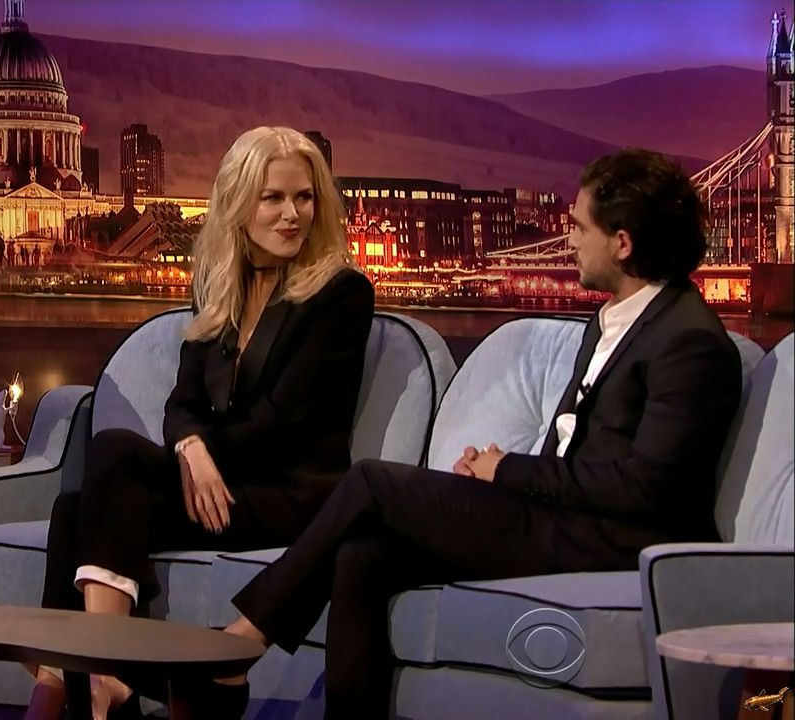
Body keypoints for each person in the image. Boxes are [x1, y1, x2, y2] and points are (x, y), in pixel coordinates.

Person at [212, 148, 743, 718]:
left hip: (612, 542)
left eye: (579, 228)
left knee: (371, 483)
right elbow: (580, 450)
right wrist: (497, 478)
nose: (568, 241)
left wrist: (509, 470)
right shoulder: (614, 319)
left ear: (623, 243)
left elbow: (647, 489)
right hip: (564, 519)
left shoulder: (689, 343)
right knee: (365, 553)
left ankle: (243, 641)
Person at [24, 126, 376, 719]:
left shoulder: (342, 294)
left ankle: (81, 682)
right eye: (273, 198)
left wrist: (205, 457)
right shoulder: (218, 286)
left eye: (304, 197)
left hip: (290, 493)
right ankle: (98, 681)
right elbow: (182, 404)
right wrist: (190, 450)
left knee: (108, 466)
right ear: (238, 202)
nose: (292, 214)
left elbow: (284, 422)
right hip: (221, 482)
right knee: (77, 504)